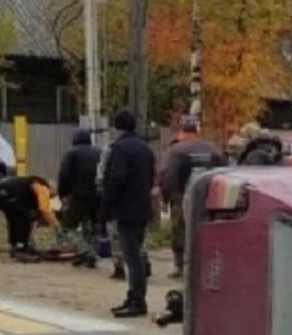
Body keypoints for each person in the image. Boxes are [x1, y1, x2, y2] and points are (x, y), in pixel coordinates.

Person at [100, 109, 156, 318]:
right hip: (143, 207)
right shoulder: (145, 148)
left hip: (126, 209)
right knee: (137, 253)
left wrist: (106, 206)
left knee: (132, 257)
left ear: (118, 128)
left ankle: (137, 300)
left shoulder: (120, 149)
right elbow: (150, 177)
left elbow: (116, 179)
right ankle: (134, 296)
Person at [160, 116, 227, 279]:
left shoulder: (177, 150)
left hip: (181, 196)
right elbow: (225, 172)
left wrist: (166, 197)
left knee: (180, 231)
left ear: (182, 131)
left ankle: (181, 266)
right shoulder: (212, 149)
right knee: (207, 230)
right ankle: (207, 265)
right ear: (197, 131)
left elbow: (169, 176)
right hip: (209, 198)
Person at [97, 138, 151, 281]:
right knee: (139, 237)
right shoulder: (145, 149)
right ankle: (143, 261)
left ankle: (120, 268)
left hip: (120, 203)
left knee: (117, 235)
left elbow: (105, 176)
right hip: (142, 201)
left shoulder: (113, 149)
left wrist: (105, 199)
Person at [57, 129, 101, 268]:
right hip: (97, 196)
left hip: (77, 196)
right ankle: (90, 253)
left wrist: (62, 194)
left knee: (67, 228)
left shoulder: (71, 153)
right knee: (92, 227)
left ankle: (86, 252)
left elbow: (64, 175)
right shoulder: (99, 153)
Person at [0, 175, 59, 259]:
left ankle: (16, 245)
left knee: (14, 216)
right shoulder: (43, 187)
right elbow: (44, 209)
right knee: (23, 217)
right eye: (51, 196)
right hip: (4, 191)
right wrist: (57, 227)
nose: (49, 198)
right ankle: (21, 248)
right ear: (51, 189)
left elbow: (37, 214)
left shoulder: (29, 188)